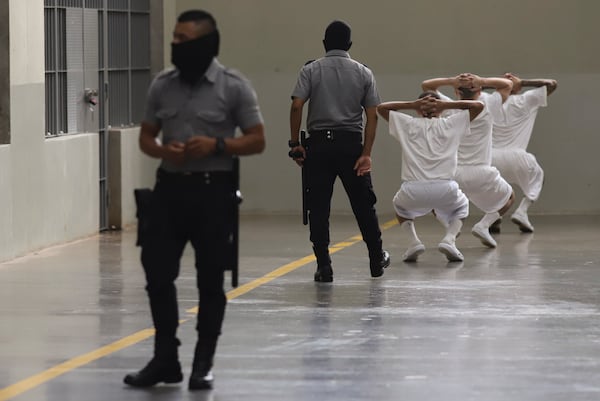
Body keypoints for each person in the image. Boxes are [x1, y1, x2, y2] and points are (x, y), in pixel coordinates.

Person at [123, 10, 265, 391]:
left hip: (212, 191)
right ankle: (165, 358)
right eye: (174, 38)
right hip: (169, 190)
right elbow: (145, 138)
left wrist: (217, 144)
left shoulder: (233, 86)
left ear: (205, 42)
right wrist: (162, 150)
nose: (175, 45)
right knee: (156, 274)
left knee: (209, 280)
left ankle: (203, 362)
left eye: (183, 39)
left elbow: (257, 138)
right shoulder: (162, 86)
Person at [289, 20, 390, 282]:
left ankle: (324, 266)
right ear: (350, 45)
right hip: (351, 146)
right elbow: (373, 116)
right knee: (363, 205)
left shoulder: (310, 70)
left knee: (319, 207)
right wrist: (366, 153)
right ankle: (376, 259)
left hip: (319, 146)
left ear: (324, 44)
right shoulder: (363, 73)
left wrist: (295, 144)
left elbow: (296, 106)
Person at [377, 92, 483, 262]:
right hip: (445, 189)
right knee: (462, 207)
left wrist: (413, 104)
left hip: (412, 190)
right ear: (440, 109)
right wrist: (444, 105)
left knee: (400, 207)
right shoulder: (451, 123)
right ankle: (449, 240)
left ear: (419, 110)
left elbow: (381, 108)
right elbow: (478, 106)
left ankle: (414, 243)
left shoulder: (408, 124)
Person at [421, 73, 515, 248]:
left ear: (457, 93)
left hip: (452, 173)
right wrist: (481, 81)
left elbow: (427, 85)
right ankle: (484, 225)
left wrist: (451, 80)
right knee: (509, 196)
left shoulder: (449, 107)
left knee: (435, 203)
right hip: (482, 173)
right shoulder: (488, 105)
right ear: (479, 92)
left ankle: (451, 231)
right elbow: (507, 85)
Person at [490, 73, 557, 233]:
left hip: (490, 158)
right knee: (539, 177)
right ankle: (522, 211)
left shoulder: (489, 101)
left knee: (495, 187)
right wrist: (522, 82)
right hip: (517, 157)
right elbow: (552, 83)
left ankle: (494, 216)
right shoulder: (525, 99)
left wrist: (498, 83)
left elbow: (472, 88)